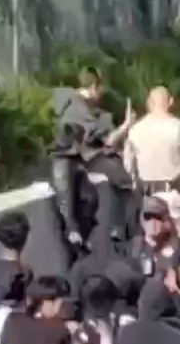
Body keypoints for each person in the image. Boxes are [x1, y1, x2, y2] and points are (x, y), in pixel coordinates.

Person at [52, 68, 136, 250]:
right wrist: (127, 125)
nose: (101, 94)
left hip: (79, 158)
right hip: (75, 159)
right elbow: (108, 140)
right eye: (100, 89)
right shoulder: (79, 108)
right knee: (124, 180)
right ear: (93, 86)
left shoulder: (71, 104)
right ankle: (117, 229)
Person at [123, 87, 180, 253]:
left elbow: (128, 166)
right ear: (171, 102)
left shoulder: (135, 131)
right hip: (177, 195)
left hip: (150, 198)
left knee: (156, 246)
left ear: (149, 104)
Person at [132, 196, 180, 281]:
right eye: (148, 217)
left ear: (168, 221)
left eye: (157, 217)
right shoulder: (138, 249)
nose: (152, 222)